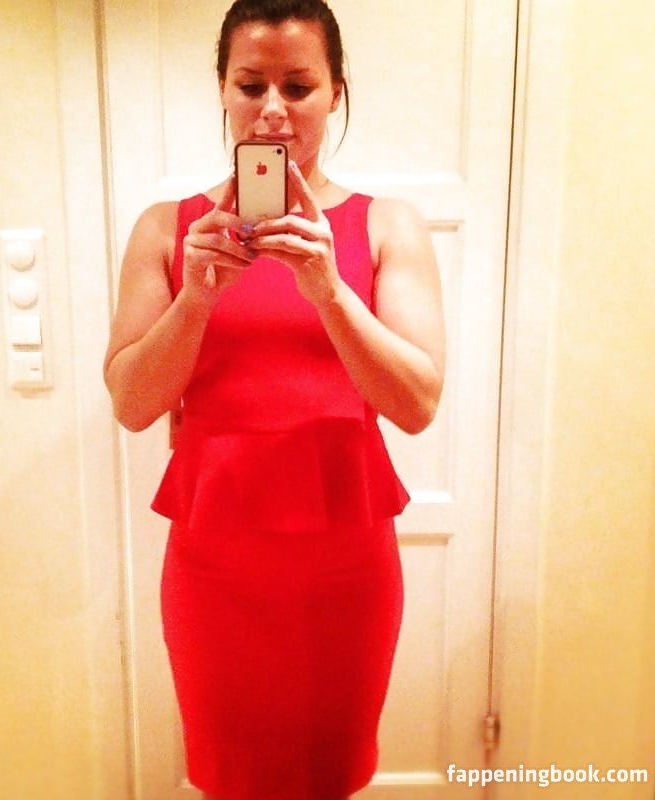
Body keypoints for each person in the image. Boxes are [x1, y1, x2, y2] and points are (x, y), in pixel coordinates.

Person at [103, 0, 445, 797]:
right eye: (251, 83)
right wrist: (196, 298)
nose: (273, 110)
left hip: (345, 569)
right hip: (215, 570)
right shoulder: (167, 229)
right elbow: (132, 402)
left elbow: (418, 402)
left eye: (298, 85)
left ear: (336, 92)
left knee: (329, 772)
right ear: (222, 88)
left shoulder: (388, 227)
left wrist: (329, 291)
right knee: (231, 777)